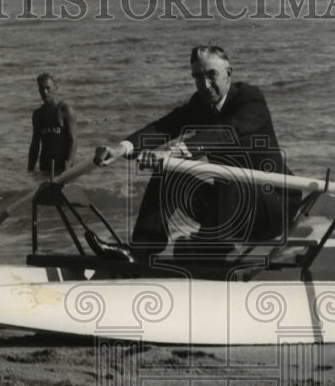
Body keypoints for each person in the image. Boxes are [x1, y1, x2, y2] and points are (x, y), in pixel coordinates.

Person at [93, 45, 293, 259]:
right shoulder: (201, 104)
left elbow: (227, 132)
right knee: (169, 172)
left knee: (230, 176)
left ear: (229, 73)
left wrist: (173, 152)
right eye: (198, 77)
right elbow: (165, 126)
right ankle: (141, 250)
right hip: (231, 208)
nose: (205, 85)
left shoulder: (250, 99)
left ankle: (210, 253)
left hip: (274, 209)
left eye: (211, 75)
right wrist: (121, 148)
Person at [28, 72, 77, 178]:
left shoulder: (65, 110)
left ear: (55, 87)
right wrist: (30, 169)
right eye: (41, 89)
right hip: (45, 167)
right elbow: (35, 144)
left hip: (63, 168)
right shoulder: (37, 114)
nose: (44, 92)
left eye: (48, 88)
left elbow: (73, 140)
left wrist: (68, 164)